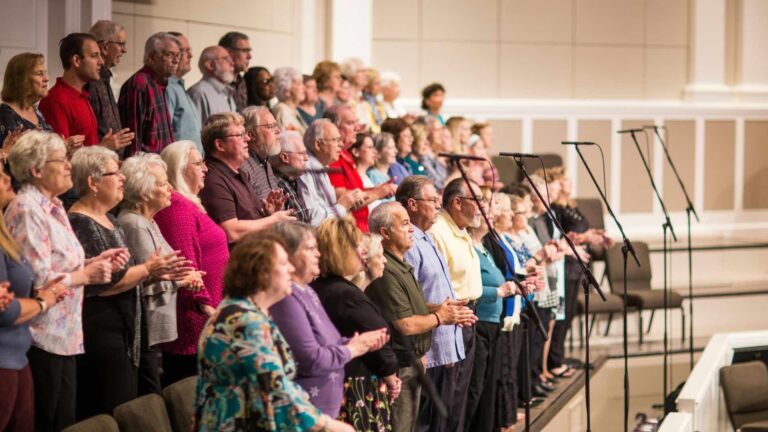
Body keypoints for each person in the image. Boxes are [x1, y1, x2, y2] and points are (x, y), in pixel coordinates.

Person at [4, 130, 118, 431]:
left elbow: (60, 262)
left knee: (65, 421)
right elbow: (38, 281)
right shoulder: (27, 209)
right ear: (36, 170)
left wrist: (94, 262)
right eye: (61, 160)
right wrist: (85, 275)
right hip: (41, 336)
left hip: (64, 335)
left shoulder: (53, 206)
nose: (69, 165)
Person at [195, 232, 353, 432]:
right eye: (284, 263)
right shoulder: (243, 321)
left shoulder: (250, 313)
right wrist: (327, 425)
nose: (291, 269)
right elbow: (275, 390)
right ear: (262, 272)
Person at [67, 146, 180, 417]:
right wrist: (148, 269)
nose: (122, 179)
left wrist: (153, 271)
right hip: (102, 333)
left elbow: (127, 274)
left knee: (128, 406)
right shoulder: (80, 221)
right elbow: (103, 284)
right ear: (93, 182)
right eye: (114, 172)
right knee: (110, 409)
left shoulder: (109, 219)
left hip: (126, 330)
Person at [367, 202, 476, 432]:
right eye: (404, 224)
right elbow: (405, 324)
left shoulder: (401, 264)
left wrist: (442, 308)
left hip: (412, 360)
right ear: (385, 233)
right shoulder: (386, 269)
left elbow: (411, 307)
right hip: (400, 365)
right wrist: (440, 317)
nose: (411, 229)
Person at [269, 221, 388, 417]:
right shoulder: (286, 298)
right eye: (310, 248)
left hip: (323, 411)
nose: (318, 254)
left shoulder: (306, 290)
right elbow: (311, 359)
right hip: (306, 415)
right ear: (287, 255)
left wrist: (359, 343)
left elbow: (328, 342)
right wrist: (352, 349)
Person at [117, 153, 202, 393]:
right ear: (144, 192)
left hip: (156, 330)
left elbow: (163, 269)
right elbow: (150, 274)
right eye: (163, 183)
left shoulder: (149, 220)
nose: (170, 188)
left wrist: (186, 277)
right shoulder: (133, 223)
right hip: (145, 328)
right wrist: (184, 279)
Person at [311, 217, 400, 431]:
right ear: (340, 250)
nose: (363, 252)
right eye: (357, 246)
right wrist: (391, 377)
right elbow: (377, 338)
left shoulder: (328, 287)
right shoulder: (344, 294)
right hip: (357, 388)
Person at [396, 175, 469, 432]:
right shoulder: (410, 242)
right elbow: (412, 300)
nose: (438, 205)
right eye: (432, 200)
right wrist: (426, 352)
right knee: (427, 425)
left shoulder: (426, 237)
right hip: (430, 349)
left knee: (444, 422)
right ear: (412, 205)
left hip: (446, 343)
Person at [0, 165, 69, 432]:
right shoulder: (26, 210)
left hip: (18, 356)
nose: (8, 177)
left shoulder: (5, 236)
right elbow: (6, 312)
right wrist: (43, 302)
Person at [155, 140, 229, 385]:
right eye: (198, 164)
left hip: (208, 314)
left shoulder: (189, 204)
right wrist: (207, 308)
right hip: (195, 320)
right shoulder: (177, 208)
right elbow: (186, 263)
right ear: (179, 169)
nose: (205, 169)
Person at [427, 178, 484, 432]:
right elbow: (434, 285)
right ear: (457, 202)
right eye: (478, 200)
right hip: (451, 319)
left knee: (461, 395)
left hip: (469, 315)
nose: (482, 207)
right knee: (447, 398)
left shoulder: (462, 231)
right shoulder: (439, 232)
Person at [464, 189, 518, 432]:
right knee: (475, 388)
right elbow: (469, 288)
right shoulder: (469, 247)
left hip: (493, 320)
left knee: (486, 386)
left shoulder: (485, 246)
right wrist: (499, 292)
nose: (489, 216)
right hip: (480, 320)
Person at [198, 112, 294, 245]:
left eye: (245, 134)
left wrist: (268, 214)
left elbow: (249, 220)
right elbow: (231, 231)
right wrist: (272, 221)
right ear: (220, 145)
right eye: (239, 135)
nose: (247, 139)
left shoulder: (239, 173)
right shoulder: (212, 179)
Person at [39, 33, 132, 152]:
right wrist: (103, 148)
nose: (101, 62)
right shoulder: (56, 100)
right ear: (77, 60)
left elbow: (87, 147)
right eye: (94, 56)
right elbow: (57, 157)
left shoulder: (82, 95)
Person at [327, 105, 395, 232]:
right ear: (333, 127)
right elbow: (341, 197)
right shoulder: (332, 158)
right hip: (348, 233)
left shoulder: (345, 154)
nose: (357, 128)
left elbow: (355, 190)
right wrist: (378, 193)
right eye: (350, 123)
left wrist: (378, 189)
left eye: (356, 122)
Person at [118, 32, 179, 155]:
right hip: (145, 168)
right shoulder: (139, 84)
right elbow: (133, 137)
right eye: (170, 55)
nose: (176, 61)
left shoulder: (161, 83)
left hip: (161, 165)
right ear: (151, 57)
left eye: (178, 55)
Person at [298, 119, 364, 226]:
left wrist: (348, 201)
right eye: (335, 140)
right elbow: (313, 219)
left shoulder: (321, 167)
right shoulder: (307, 169)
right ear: (318, 145)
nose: (341, 145)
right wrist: (343, 206)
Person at [0, 53, 53, 156]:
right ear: (21, 80)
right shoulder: (5, 114)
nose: (47, 78)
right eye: (39, 74)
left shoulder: (36, 111)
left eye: (45, 73)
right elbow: (13, 158)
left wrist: (64, 147)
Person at [88, 20, 127, 143]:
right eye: (121, 44)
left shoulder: (105, 77)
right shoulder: (91, 80)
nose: (125, 50)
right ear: (105, 47)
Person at [165, 32, 202, 152]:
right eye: (185, 51)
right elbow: (166, 134)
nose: (191, 55)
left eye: (189, 50)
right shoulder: (168, 88)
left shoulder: (179, 87)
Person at [239, 106, 282, 202]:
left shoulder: (265, 159)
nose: (278, 131)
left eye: (276, 125)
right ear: (251, 135)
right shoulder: (243, 167)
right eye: (271, 127)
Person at [187, 46, 236, 125]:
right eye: (226, 59)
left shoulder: (227, 92)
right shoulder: (198, 93)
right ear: (210, 65)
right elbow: (195, 133)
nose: (232, 63)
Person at [271, 131, 311, 223]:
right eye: (302, 153)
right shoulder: (276, 186)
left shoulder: (293, 180)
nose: (306, 158)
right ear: (285, 157)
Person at [348, 133, 390, 210]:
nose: (375, 152)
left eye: (373, 147)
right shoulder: (352, 178)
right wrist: (379, 192)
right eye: (370, 147)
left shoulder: (366, 177)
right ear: (356, 152)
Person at [218, 32, 252, 111]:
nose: (250, 56)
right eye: (244, 51)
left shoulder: (242, 82)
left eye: (249, 51)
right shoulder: (218, 83)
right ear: (228, 53)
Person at [272, 66, 307, 133]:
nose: (303, 87)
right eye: (299, 84)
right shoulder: (281, 110)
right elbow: (287, 139)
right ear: (286, 90)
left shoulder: (294, 110)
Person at [381, 117, 415, 184]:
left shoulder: (405, 164)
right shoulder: (390, 166)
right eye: (406, 136)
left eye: (411, 136)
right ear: (394, 139)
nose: (411, 140)